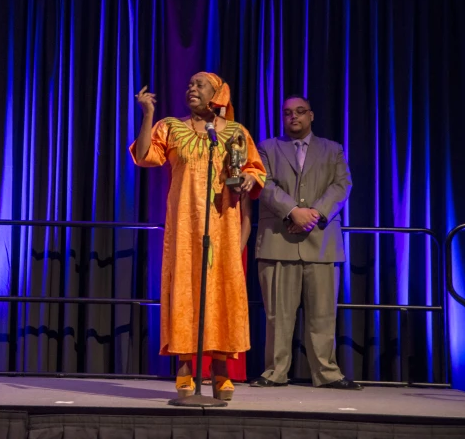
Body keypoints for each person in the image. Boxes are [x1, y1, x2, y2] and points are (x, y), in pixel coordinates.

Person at [130, 72, 267, 401]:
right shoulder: (171, 127)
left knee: (220, 293)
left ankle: (220, 369)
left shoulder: (234, 133)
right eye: (189, 84)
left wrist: (249, 178)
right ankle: (184, 366)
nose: (191, 89)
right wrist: (147, 115)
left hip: (222, 227)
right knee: (186, 292)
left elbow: (254, 168)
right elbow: (145, 156)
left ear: (217, 94)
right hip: (185, 229)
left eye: (199, 85)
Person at [252, 95, 361, 390]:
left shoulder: (332, 149)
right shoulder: (267, 147)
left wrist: (315, 213)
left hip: (322, 240)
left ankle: (327, 373)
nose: (293, 117)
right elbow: (264, 183)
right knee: (278, 315)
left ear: (311, 115)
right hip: (278, 241)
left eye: (300, 112)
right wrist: (293, 211)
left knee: (323, 315)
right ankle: (275, 372)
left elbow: (342, 185)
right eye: (287, 113)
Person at [192, 192, 251, 384]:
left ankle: (225, 368)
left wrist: (235, 250)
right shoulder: (199, 177)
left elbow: (247, 219)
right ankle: (201, 367)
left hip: (231, 248)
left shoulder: (238, 173)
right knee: (200, 302)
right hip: (202, 245)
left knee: (226, 305)